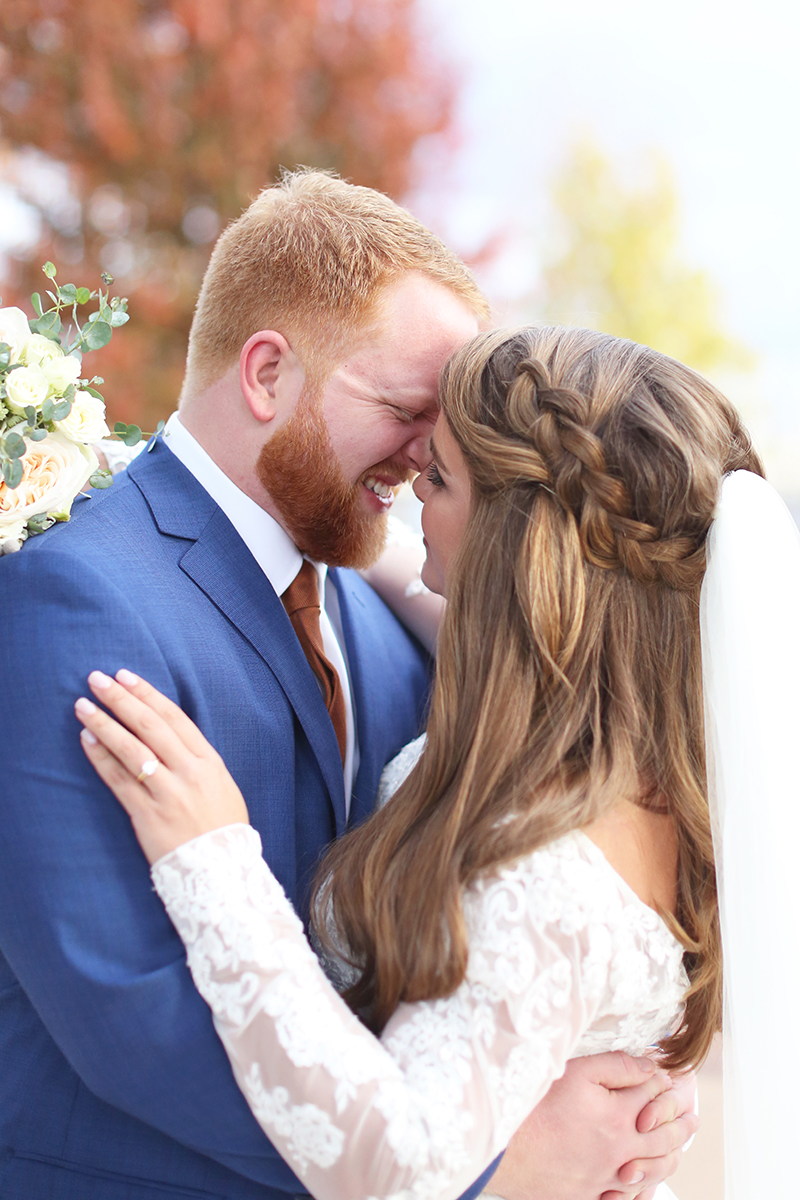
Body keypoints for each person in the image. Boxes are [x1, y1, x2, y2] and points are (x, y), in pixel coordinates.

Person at [0, 179, 690, 1200]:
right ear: (268, 372)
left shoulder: (393, 606)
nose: (426, 462)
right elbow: (133, 1013)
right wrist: (490, 1167)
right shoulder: (79, 595)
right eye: (408, 411)